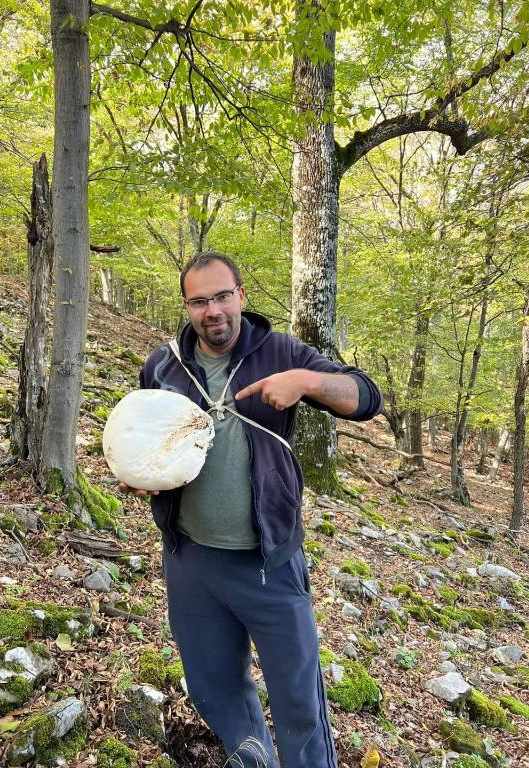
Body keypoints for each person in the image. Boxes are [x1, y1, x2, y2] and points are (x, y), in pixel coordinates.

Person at [121, 251, 383, 768]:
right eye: (199, 301)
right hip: (190, 559)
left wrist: (306, 382)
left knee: (298, 698)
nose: (213, 311)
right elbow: (144, 435)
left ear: (240, 296)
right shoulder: (163, 365)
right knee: (212, 684)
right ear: (187, 306)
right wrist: (141, 475)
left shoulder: (280, 351)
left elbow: (366, 398)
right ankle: (251, 757)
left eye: (222, 296)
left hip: (268, 562)